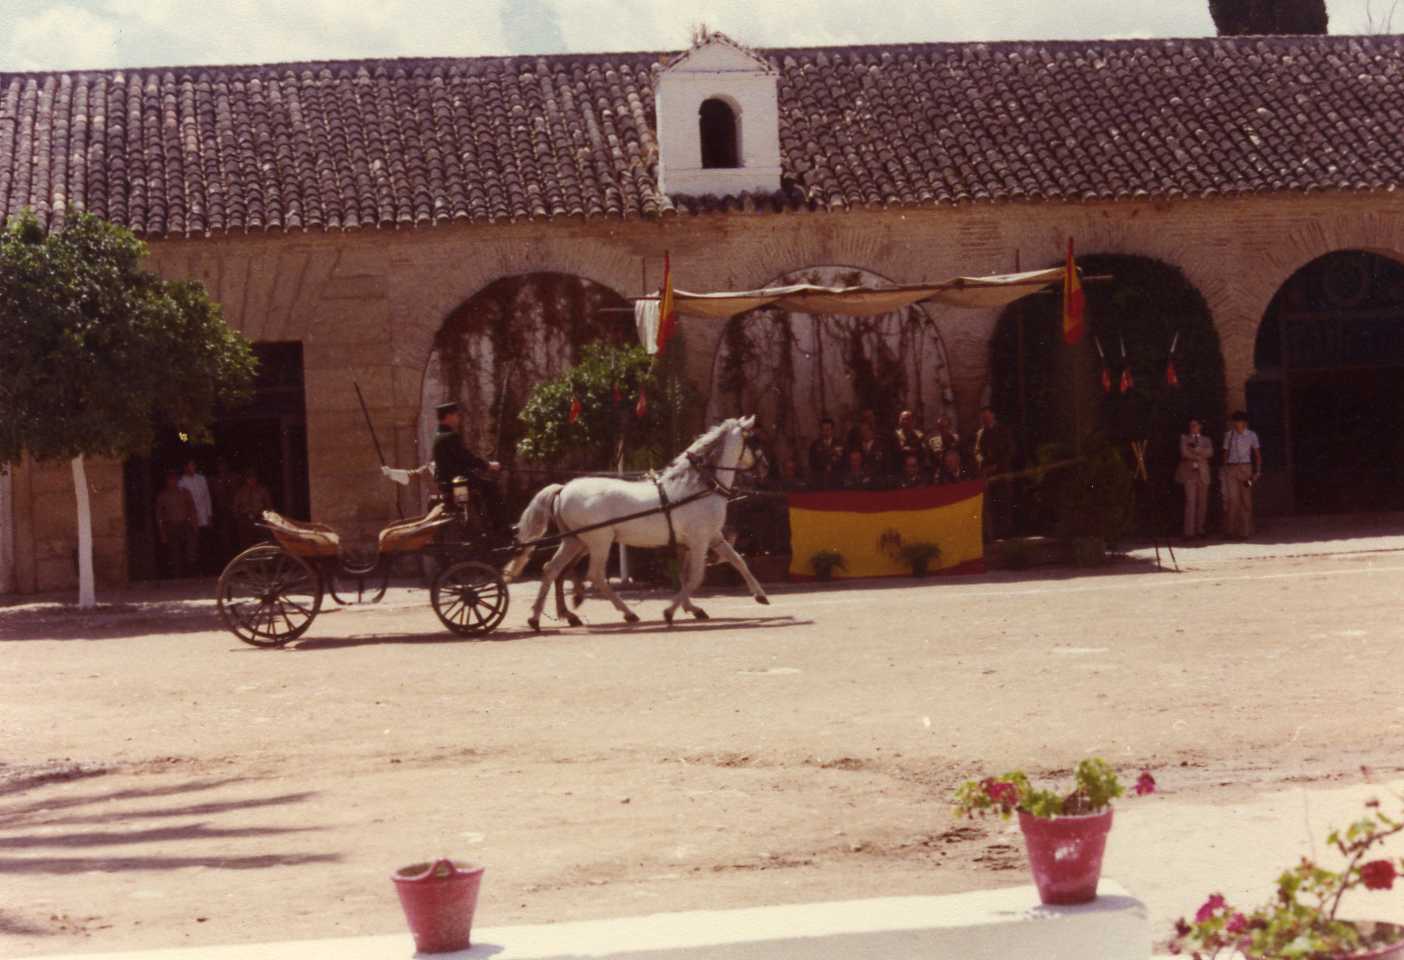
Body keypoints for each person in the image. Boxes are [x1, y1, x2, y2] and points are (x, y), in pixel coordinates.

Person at [431, 401, 506, 533]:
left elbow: (458, 460)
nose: (458, 418)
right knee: (491, 487)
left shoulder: (439, 436)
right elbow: (466, 458)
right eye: (456, 415)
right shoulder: (450, 436)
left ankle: (487, 522)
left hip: (450, 482)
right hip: (458, 482)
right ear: (449, 416)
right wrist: (488, 465)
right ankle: (499, 528)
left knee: (484, 484)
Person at [973, 407, 1015, 539]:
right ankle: (994, 534)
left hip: (1002, 471)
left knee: (1004, 502)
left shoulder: (1003, 430)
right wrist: (982, 464)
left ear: (993, 416)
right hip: (987, 473)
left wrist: (998, 466)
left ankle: (1006, 533)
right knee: (990, 505)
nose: (985, 420)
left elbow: (1010, 450)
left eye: (987, 417)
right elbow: (977, 451)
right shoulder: (980, 433)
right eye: (983, 418)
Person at [1222, 410, 1262, 539]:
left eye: (1238, 421)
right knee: (1232, 499)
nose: (1236, 424)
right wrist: (1225, 469)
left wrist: (1257, 471)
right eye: (1235, 421)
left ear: (1244, 423)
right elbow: (1225, 452)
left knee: (1246, 499)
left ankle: (1245, 531)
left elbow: (1257, 454)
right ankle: (1230, 530)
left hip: (1246, 469)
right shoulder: (1229, 435)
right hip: (1232, 469)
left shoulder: (1252, 435)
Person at [1175, 417, 1214, 539]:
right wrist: (1199, 455)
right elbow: (1184, 453)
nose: (1193, 427)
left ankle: (1200, 529)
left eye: (1195, 425)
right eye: (1191, 425)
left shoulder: (1206, 440)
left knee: (1202, 503)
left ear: (1200, 426)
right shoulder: (1184, 439)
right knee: (1190, 502)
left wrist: (1197, 450)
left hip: (1203, 473)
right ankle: (1189, 532)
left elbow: (1210, 452)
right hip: (1190, 473)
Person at [155, 470, 198, 578]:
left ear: (178, 480)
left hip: (185, 524)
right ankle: (177, 576)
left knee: (191, 549)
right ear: (166, 482)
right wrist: (162, 533)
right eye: (170, 480)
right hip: (171, 526)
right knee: (174, 553)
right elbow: (159, 515)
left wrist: (194, 524)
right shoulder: (162, 496)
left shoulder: (185, 492)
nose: (172, 482)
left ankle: (191, 573)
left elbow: (192, 509)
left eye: (174, 479)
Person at [179, 459, 214, 573]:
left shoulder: (201, 479)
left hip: (203, 515)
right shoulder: (181, 482)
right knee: (192, 544)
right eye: (190, 465)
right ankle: (192, 571)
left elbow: (207, 497)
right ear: (185, 467)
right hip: (191, 517)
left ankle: (206, 569)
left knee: (205, 543)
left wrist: (209, 514)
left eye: (194, 465)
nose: (192, 467)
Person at [232, 469, 273, 549]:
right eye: (249, 477)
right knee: (245, 542)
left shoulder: (263, 490)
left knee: (261, 542)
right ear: (246, 479)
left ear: (256, 478)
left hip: (259, 518)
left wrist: (266, 517)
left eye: (253, 477)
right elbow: (235, 506)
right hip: (245, 519)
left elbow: (269, 506)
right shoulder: (241, 491)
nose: (251, 480)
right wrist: (238, 517)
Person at [210, 458, 240, 561]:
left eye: (224, 465)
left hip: (234, 510)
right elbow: (213, 496)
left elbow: (238, 493)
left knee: (236, 535)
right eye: (220, 466)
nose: (222, 468)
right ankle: (226, 558)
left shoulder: (234, 477)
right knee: (224, 537)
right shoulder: (214, 480)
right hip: (221, 511)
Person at [807, 417, 844, 490]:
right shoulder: (815, 445)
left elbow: (844, 462)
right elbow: (812, 463)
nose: (826, 432)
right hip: (820, 480)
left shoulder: (840, 444)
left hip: (837, 480)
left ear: (833, 430)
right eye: (823, 430)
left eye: (828, 429)